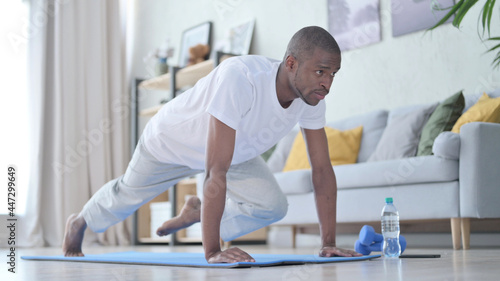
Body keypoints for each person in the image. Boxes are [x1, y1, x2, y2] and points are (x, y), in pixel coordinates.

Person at [63, 26, 361, 262]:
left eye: (332, 74)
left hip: (234, 151)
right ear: (292, 63)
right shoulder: (241, 78)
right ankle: (80, 221)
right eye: (320, 71)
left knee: (272, 206)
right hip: (169, 143)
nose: (327, 84)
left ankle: (197, 213)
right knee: (125, 196)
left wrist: (328, 243)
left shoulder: (312, 97)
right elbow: (214, 171)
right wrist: (212, 251)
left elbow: (321, 170)